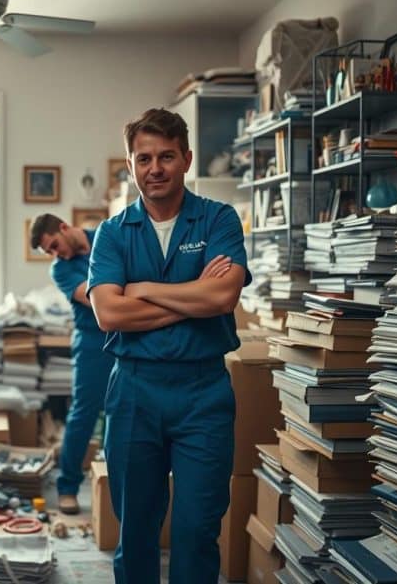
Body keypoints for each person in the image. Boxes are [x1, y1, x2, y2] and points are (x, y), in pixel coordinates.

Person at [87, 108, 250, 584]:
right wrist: (192, 298)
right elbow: (109, 314)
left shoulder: (218, 219)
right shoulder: (113, 233)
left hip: (203, 393)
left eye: (166, 157)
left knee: (197, 529)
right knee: (136, 530)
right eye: (144, 159)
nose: (154, 168)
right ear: (130, 164)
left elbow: (222, 297)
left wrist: (141, 290)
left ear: (186, 159)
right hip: (134, 391)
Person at [28, 213, 111, 515]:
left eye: (54, 245)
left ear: (64, 228)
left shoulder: (107, 236)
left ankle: (113, 484)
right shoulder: (61, 269)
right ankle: (68, 487)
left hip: (126, 335)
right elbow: (98, 300)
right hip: (92, 341)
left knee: (122, 411)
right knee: (83, 414)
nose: (55, 254)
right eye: (49, 251)